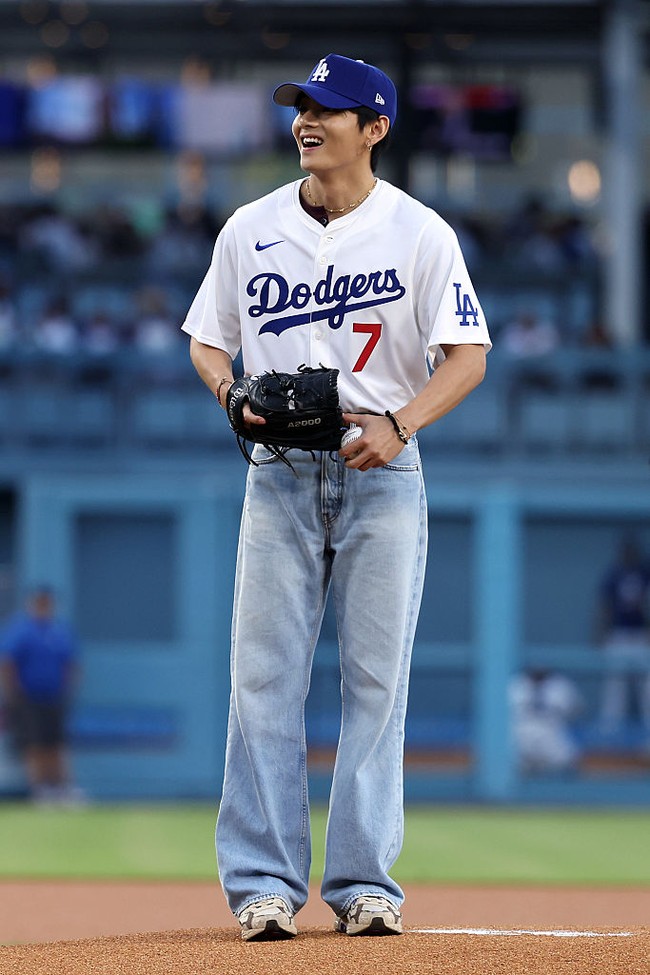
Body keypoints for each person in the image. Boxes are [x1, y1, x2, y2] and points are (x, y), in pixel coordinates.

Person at [181, 54, 490, 942]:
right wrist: (226, 389)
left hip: (380, 473)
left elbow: (467, 355)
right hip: (277, 471)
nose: (307, 121)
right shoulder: (249, 227)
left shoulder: (420, 232)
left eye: (329, 109)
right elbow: (209, 339)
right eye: (301, 107)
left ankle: (363, 885)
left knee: (375, 685)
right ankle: (264, 886)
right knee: (263, 683)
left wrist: (400, 422)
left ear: (376, 128)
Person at [0, 586, 82, 804]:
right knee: (35, 744)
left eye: (47, 603)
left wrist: (68, 690)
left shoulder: (59, 631)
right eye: (39, 603)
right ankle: (41, 790)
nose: (44, 607)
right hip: (28, 698)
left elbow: (71, 662)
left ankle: (63, 789)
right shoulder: (21, 630)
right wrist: (12, 693)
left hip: (54, 697)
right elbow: (8, 662)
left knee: (56, 743)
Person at [595, 536, 650, 741]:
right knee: (614, 684)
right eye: (625, 550)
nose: (628, 554)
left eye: (632, 550)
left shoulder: (645, 573)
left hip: (643, 635)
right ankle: (609, 730)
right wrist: (601, 633)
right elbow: (604, 607)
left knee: (647, 686)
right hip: (618, 634)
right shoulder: (613, 574)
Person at [509, 668, 584, 775]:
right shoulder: (514, 684)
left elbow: (576, 710)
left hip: (550, 731)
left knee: (569, 760)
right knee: (509, 759)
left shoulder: (562, 685)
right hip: (521, 730)